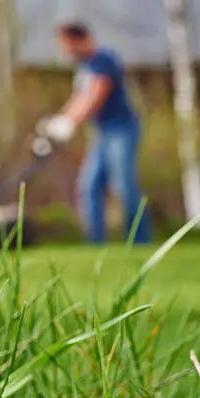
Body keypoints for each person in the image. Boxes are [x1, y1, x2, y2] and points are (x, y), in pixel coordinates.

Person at [39, 21, 151, 243]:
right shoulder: (85, 67)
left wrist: (71, 124)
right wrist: (59, 121)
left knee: (124, 186)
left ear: (80, 39)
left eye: (67, 45)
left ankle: (139, 241)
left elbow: (96, 96)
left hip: (121, 130)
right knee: (89, 186)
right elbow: (79, 99)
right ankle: (96, 243)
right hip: (100, 133)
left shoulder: (103, 60)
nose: (65, 51)